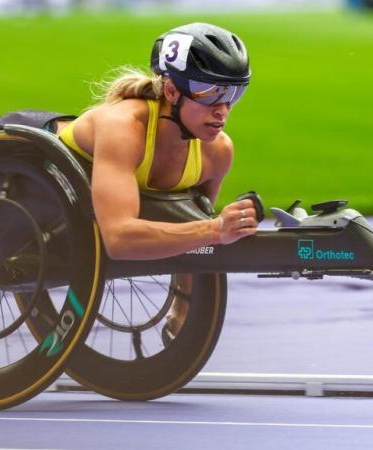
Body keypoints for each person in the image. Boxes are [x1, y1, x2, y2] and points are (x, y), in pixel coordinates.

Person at [54, 22, 259, 342]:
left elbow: (193, 227)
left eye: (234, 93)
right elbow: (119, 240)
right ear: (171, 91)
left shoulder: (217, 152)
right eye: (210, 93)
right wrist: (217, 230)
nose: (222, 110)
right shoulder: (123, 127)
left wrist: (182, 311)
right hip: (46, 201)